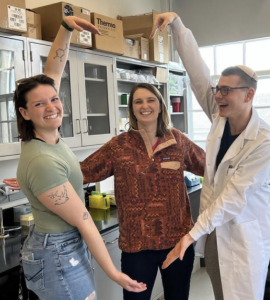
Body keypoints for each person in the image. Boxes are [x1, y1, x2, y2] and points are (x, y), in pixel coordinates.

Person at [6, 16, 147, 300]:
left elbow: (53, 71)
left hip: (61, 246)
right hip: (57, 250)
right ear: (24, 113)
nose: (51, 106)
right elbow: (83, 220)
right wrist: (114, 274)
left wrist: (66, 28)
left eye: (54, 99)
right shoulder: (42, 160)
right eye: (39, 104)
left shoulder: (46, 139)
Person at [150, 12, 270, 300]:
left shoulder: (264, 142)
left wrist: (191, 235)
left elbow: (233, 196)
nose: (218, 95)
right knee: (220, 291)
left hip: (243, 236)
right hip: (215, 233)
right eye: (219, 89)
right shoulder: (221, 117)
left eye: (226, 90)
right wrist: (178, 26)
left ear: (249, 95)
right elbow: (198, 74)